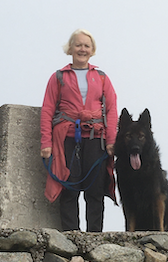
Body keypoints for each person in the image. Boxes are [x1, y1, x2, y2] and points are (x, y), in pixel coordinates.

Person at [40, 29, 118, 232]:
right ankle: (70, 235)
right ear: (71, 48)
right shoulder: (58, 77)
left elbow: (111, 110)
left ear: (92, 50)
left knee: (95, 189)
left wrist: (111, 141)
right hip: (66, 137)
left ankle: (94, 237)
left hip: (95, 137)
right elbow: (48, 109)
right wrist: (46, 143)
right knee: (69, 187)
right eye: (78, 45)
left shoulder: (101, 77)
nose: (82, 49)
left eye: (86, 45)